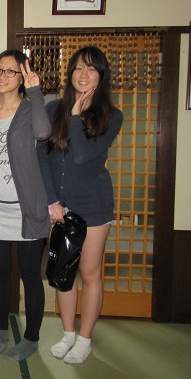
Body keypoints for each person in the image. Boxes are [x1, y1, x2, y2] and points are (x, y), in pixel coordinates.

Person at [36, 45, 123, 364]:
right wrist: (51, 201)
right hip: (61, 207)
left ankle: (84, 339)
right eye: (78, 68)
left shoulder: (112, 116)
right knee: (64, 272)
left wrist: (75, 116)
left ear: (101, 76)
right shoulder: (52, 109)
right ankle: (68, 334)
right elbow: (41, 157)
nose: (83, 74)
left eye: (92, 68)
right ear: (70, 73)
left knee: (89, 272)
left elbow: (84, 155)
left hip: (94, 206)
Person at [0, 49, 51, 361]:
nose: (2, 76)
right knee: (1, 271)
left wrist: (35, 91)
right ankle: (1, 328)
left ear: (21, 77)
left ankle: (31, 338)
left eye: (10, 71)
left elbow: (43, 133)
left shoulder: (31, 109)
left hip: (26, 209)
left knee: (30, 274)